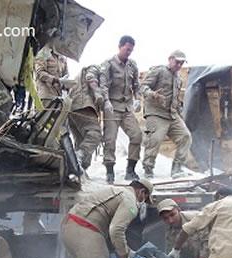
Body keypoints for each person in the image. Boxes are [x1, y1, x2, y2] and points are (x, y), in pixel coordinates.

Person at [141, 50, 191, 179]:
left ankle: (177, 168)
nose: (179, 65)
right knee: (155, 139)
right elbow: (143, 87)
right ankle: (148, 169)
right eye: (177, 62)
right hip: (156, 113)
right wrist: (153, 94)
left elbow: (176, 99)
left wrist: (179, 113)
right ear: (170, 59)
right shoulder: (159, 71)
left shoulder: (178, 78)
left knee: (185, 136)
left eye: (181, 63)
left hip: (172, 115)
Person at [100, 35, 143, 184]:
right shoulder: (109, 64)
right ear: (120, 47)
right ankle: (109, 171)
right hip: (112, 106)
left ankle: (130, 170)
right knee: (110, 139)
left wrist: (137, 98)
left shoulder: (132, 65)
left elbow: (136, 84)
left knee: (137, 135)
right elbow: (103, 85)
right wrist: (106, 101)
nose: (128, 53)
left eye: (131, 50)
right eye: (126, 49)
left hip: (126, 108)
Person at [68, 64, 112, 172]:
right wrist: (97, 93)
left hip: (73, 108)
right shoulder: (96, 68)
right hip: (83, 105)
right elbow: (90, 77)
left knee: (81, 141)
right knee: (95, 135)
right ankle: (78, 157)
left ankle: (78, 171)